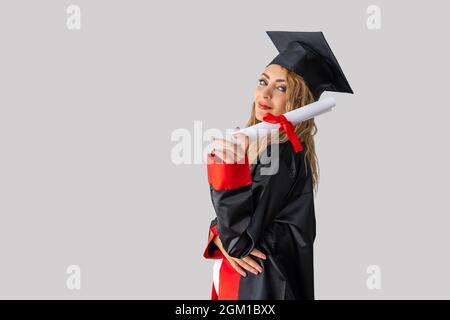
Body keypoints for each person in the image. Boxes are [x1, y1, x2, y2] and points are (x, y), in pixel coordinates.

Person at [203, 31, 354, 300]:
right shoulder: (265, 146)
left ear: (299, 102)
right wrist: (217, 235)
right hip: (248, 284)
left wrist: (226, 172)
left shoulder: (282, 154)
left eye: (282, 87)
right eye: (263, 81)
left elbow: (238, 241)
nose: (266, 93)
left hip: (262, 287)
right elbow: (236, 224)